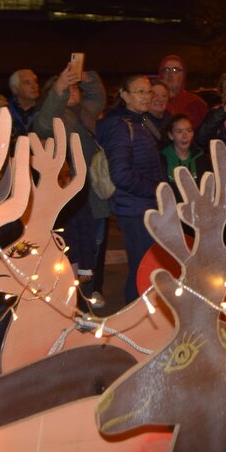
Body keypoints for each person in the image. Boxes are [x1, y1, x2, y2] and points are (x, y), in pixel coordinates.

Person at [35, 64, 108, 290]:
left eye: (76, 88)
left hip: (93, 192)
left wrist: (87, 77)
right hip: (70, 194)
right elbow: (45, 123)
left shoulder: (84, 112)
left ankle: (92, 289)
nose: (73, 92)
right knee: (73, 248)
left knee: (95, 244)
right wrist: (60, 87)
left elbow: (98, 97)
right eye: (69, 89)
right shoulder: (53, 118)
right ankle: (74, 296)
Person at [96, 75, 163, 303]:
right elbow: (121, 174)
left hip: (144, 206)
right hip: (134, 209)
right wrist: (157, 189)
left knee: (146, 266)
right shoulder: (120, 125)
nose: (147, 96)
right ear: (124, 95)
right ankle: (135, 321)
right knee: (141, 268)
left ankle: (141, 320)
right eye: (140, 92)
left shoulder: (139, 121)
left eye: (148, 92)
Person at [160, 113, 210, 190]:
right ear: (171, 135)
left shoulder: (201, 158)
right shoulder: (161, 159)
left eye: (189, 130)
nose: (185, 136)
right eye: (179, 132)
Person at [158, 54, 208, 124]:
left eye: (175, 70)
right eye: (166, 70)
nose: (170, 74)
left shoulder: (195, 103)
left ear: (183, 75)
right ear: (161, 75)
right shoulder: (155, 102)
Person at [8, 69, 40, 139]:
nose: (34, 86)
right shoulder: (6, 112)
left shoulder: (45, 110)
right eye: (27, 83)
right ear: (15, 89)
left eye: (35, 81)